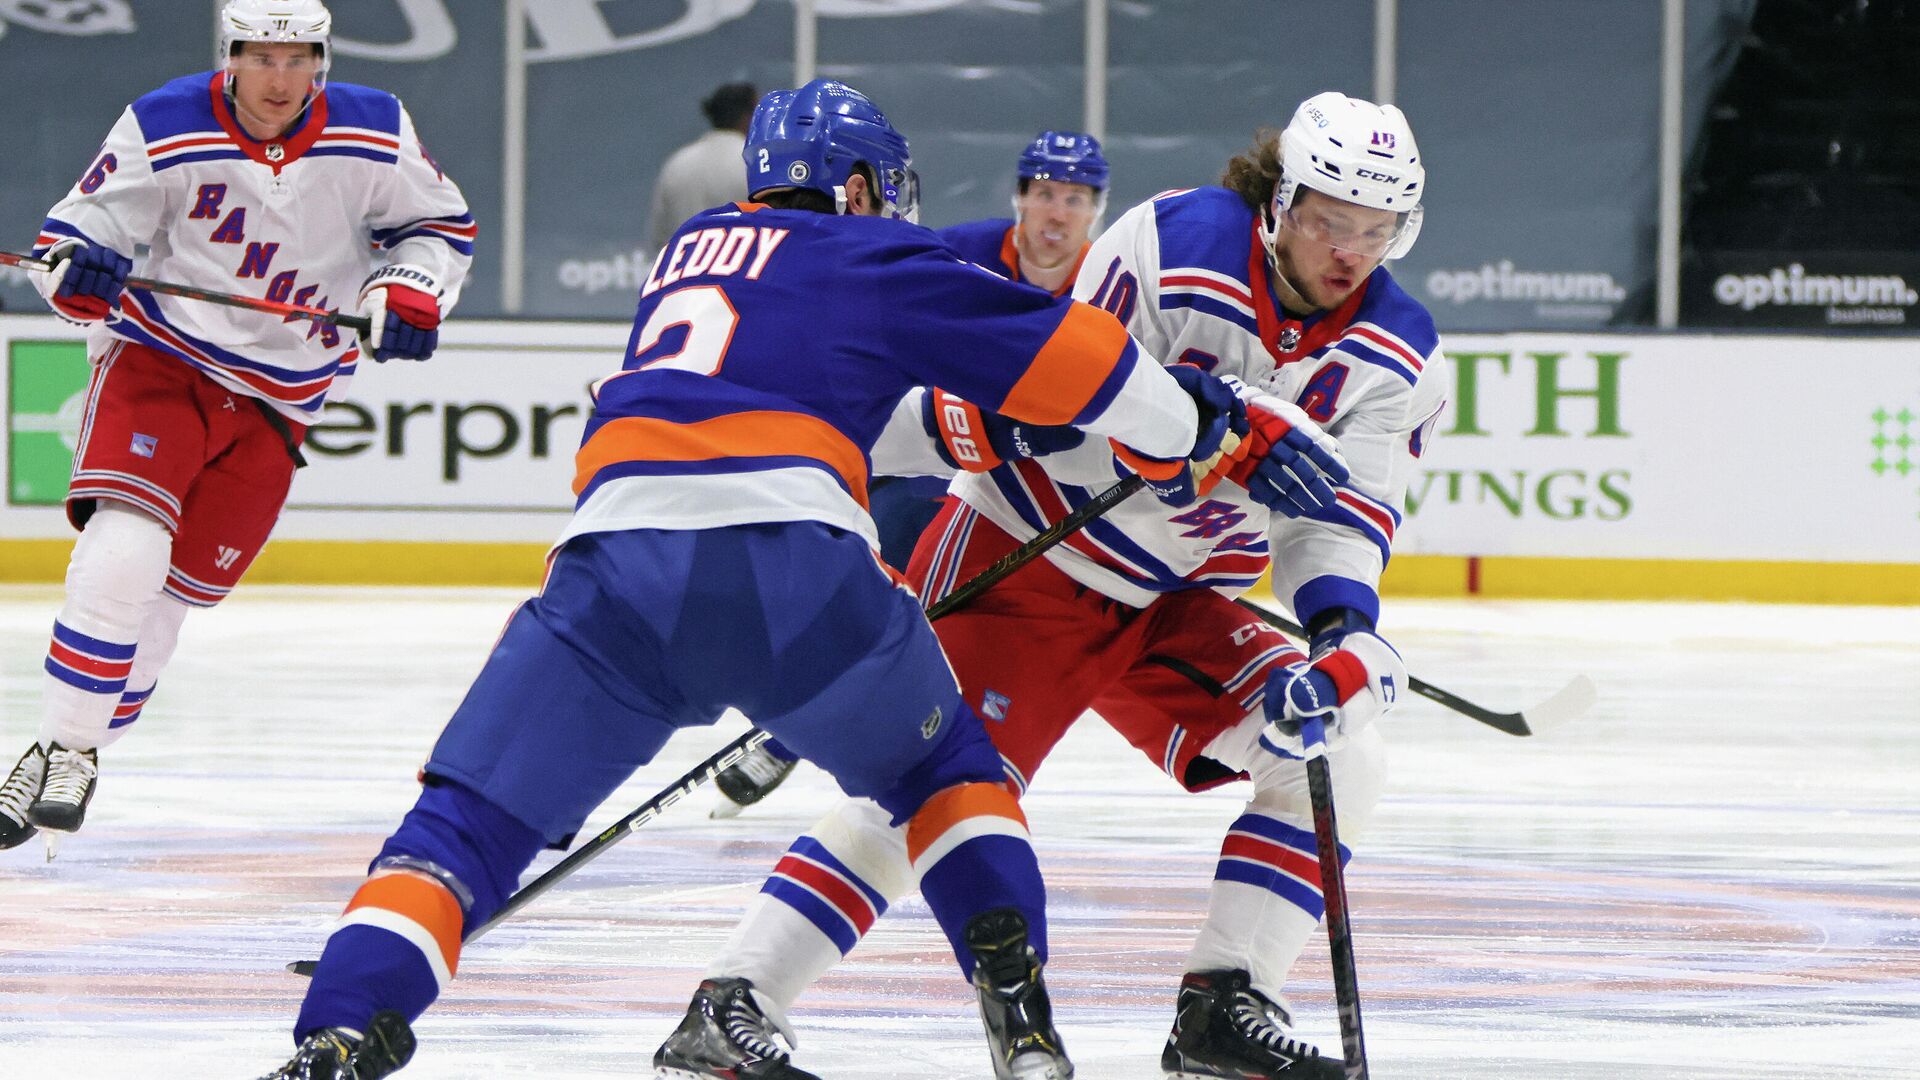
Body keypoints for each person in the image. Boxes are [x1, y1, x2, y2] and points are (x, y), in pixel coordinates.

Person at [259, 78, 1247, 1080]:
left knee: (458, 829)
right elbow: (1085, 362)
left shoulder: (690, 257)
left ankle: (339, 1031)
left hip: (609, 575)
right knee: (946, 774)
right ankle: (1021, 1018)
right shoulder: (869, 249)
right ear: (857, 185)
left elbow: (812, 399)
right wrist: (1185, 423)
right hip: (793, 569)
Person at [663, 91, 1446, 1080]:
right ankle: (735, 997)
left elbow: (1341, 520)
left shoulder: (1400, 351)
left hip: (1179, 598)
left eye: (1379, 229)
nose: (1351, 250)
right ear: (1277, 200)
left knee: (1341, 758)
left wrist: (1338, 636)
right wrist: (1228, 430)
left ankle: (1224, 1002)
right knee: (936, 787)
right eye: (1331, 218)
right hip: (1028, 550)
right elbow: (1064, 393)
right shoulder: (1170, 242)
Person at [0, 0, 470, 855]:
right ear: (231, 56)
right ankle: (67, 746)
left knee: (170, 610)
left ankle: (68, 747)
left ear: (321, 60)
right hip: (164, 360)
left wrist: (402, 292)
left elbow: (438, 229)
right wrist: (79, 273)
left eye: (300, 60)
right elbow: (83, 230)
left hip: (281, 396)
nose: (282, 80)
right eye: (263, 58)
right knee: (124, 550)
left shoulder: (374, 128)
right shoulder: (166, 119)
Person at [711, 129, 1112, 818]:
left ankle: (872, 731)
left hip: (1029, 487)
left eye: (1075, 198)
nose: (1058, 213)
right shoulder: (956, 253)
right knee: (881, 561)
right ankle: (793, 725)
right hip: (935, 456)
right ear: (1019, 197)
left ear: (1098, 209)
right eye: (1045, 193)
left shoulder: (1111, 279)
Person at [647, 80, 759, 253]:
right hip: (743, 274)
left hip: (686, 274)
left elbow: (660, 238)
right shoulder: (755, 162)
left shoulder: (677, 165)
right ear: (748, 116)